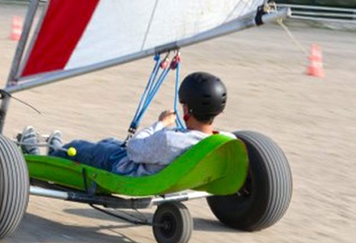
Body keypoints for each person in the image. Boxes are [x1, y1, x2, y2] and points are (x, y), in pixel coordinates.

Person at [20, 71, 229, 176]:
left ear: (186, 109)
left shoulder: (170, 140)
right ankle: (59, 147)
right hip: (145, 160)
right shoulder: (221, 142)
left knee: (75, 147)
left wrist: (161, 123)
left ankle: (36, 155)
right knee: (106, 142)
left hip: (122, 166)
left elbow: (134, 149)